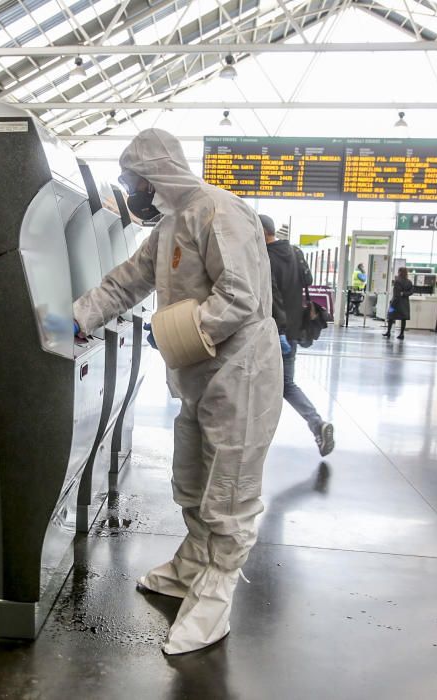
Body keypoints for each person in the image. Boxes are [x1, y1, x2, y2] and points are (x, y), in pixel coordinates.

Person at [72, 129, 283, 655]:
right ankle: (193, 563)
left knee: (228, 487)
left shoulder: (220, 211)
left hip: (242, 376)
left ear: (156, 173)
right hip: (200, 376)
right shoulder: (170, 226)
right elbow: (127, 282)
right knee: (192, 476)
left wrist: (175, 331)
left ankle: (216, 590)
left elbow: (241, 297)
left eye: (132, 181)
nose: (131, 191)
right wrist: (74, 318)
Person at [261, 215, 335, 457]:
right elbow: (309, 281)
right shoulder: (295, 252)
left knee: (259, 383)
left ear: (262, 233)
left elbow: (273, 299)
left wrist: (278, 330)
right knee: (287, 385)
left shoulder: (266, 258)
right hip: (294, 330)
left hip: (275, 333)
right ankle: (317, 424)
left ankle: (253, 437)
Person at [384, 267, 414, 339]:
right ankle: (402, 334)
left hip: (395, 303)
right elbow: (411, 292)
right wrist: (404, 294)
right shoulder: (409, 282)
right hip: (405, 303)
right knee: (403, 319)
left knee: (390, 316)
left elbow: (396, 294)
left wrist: (392, 302)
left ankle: (388, 332)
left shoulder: (397, 281)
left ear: (399, 272)